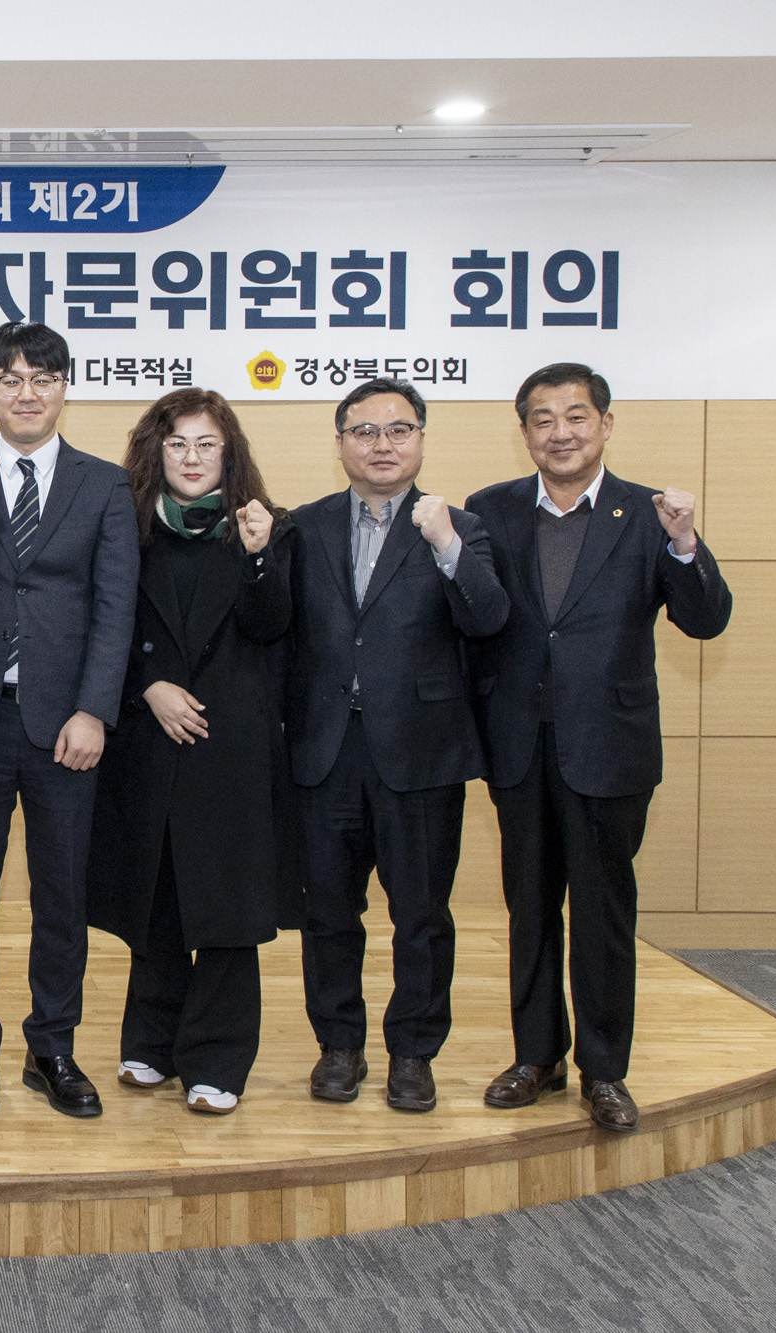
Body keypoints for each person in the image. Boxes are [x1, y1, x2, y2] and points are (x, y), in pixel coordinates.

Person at [468, 363, 731, 1133]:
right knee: (530, 908)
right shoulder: (489, 509)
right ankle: (537, 1057)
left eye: (576, 416)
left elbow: (706, 619)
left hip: (609, 746)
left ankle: (605, 1069)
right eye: (543, 419)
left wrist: (685, 543)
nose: (561, 433)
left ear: (605, 424)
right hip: (519, 744)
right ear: (524, 432)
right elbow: (476, 621)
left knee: (602, 909)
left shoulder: (650, 515)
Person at [0, 322, 139, 1121]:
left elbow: (115, 605)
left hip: (65, 728)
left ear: (63, 389)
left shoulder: (104, 483)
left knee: (61, 896)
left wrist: (94, 709)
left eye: (42, 378)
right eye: (10, 378)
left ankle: (52, 1047)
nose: (26, 393)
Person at [287, 377, 509, 1113]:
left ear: (420, 439)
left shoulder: (459, 526)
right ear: (340, 442)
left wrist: (446, 544)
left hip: (421, 753)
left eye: (398, 429)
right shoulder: (305, 526)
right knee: (328, 913)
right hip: (326, 752)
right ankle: (339, 1045)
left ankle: (413, 1051)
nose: (381, 444)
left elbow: (489, 619)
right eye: (365, 431)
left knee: (420, 915)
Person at [85, 388, 296, 1115]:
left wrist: (260, 558)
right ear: (157, 452)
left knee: (228, 907)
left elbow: (273, 628)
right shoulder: (128, 528)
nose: (192, 458)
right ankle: (151, 1041)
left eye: (207, 444)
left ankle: (218, 1057)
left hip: (231, 748)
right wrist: (148, 687)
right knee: (159, 897)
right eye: (177, 444)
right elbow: (103, 627)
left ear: (229, 453)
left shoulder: (266, 527)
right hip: (149, 740)